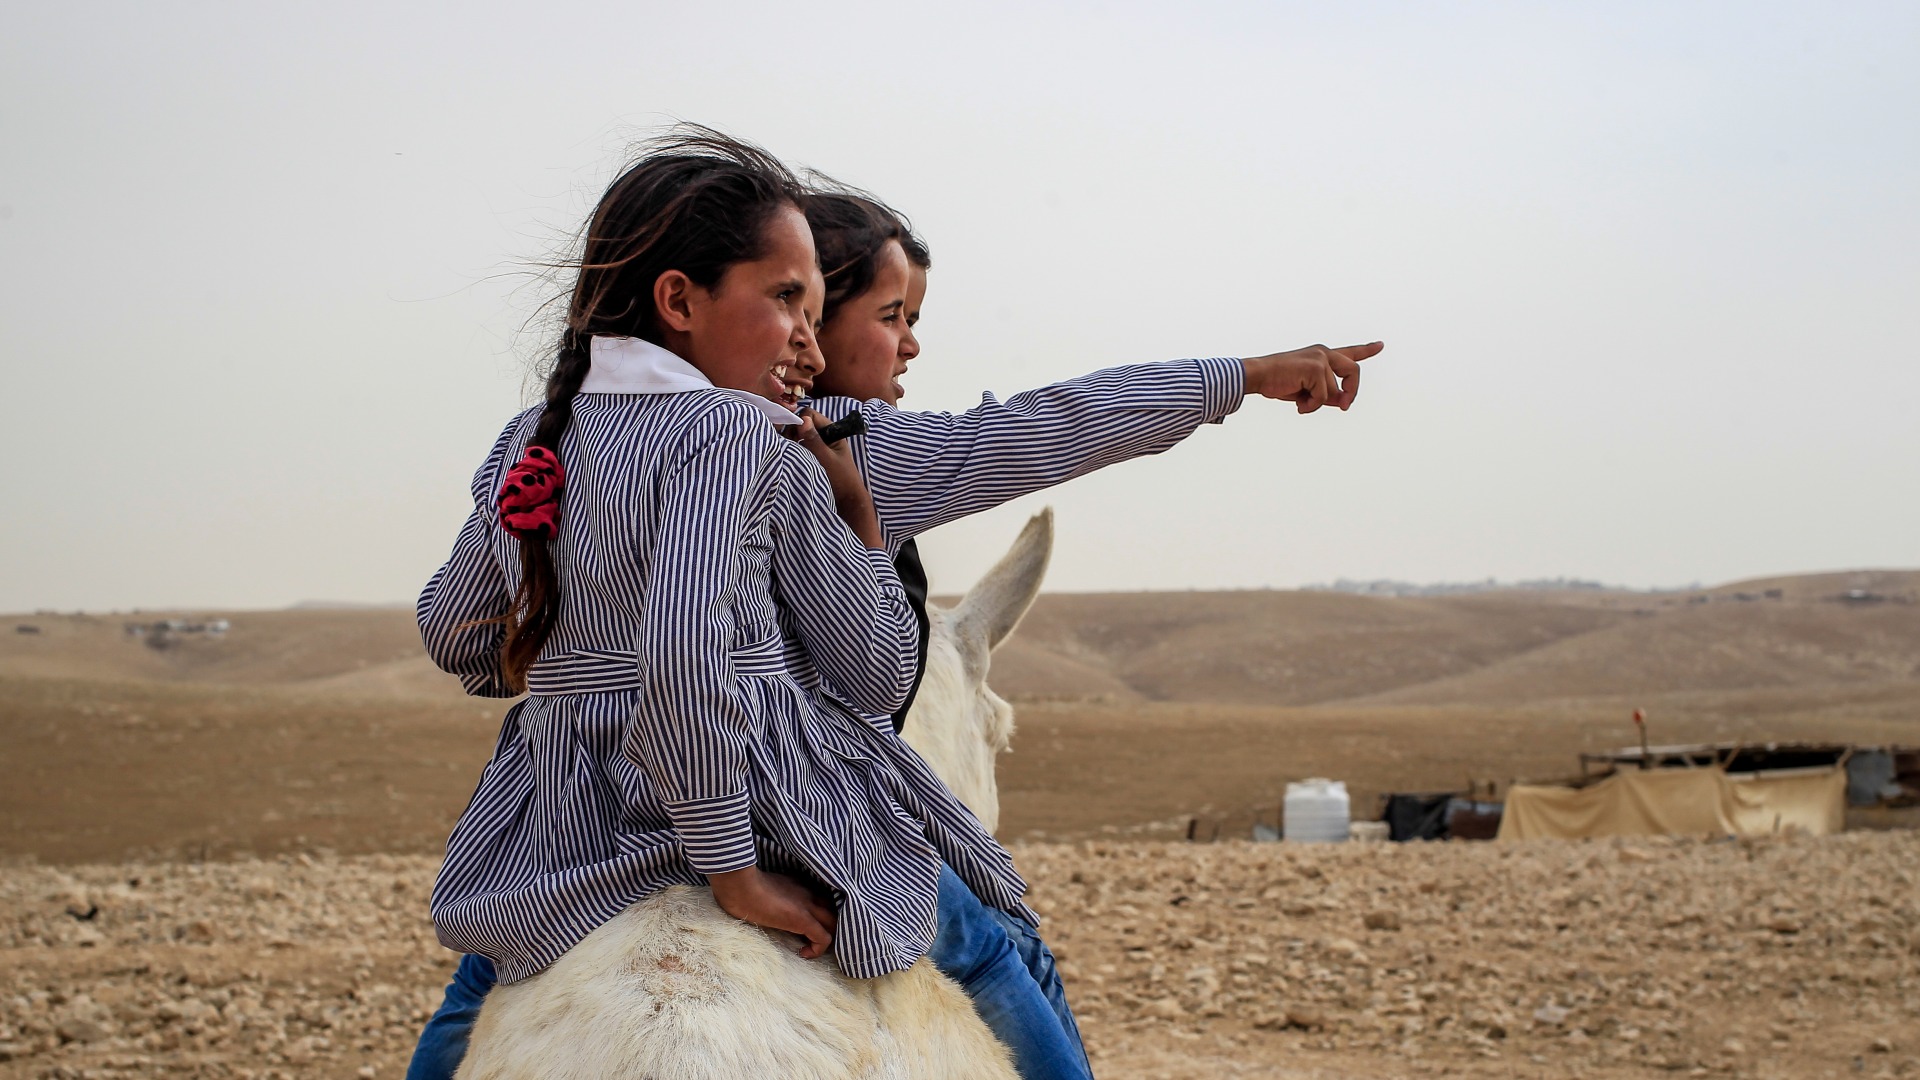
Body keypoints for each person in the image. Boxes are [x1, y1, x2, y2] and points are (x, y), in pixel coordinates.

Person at [407, 128, 1085, 1080]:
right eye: (785, 301)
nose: (807, 338)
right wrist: (731, 866)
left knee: (481, 985)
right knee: (988, 941)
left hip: (568, 818)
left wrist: (566, 643)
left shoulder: (538, 435)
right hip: (761, 800)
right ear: (679, 301)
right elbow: (842, 666)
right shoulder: (742, 431)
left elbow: (455, 634)